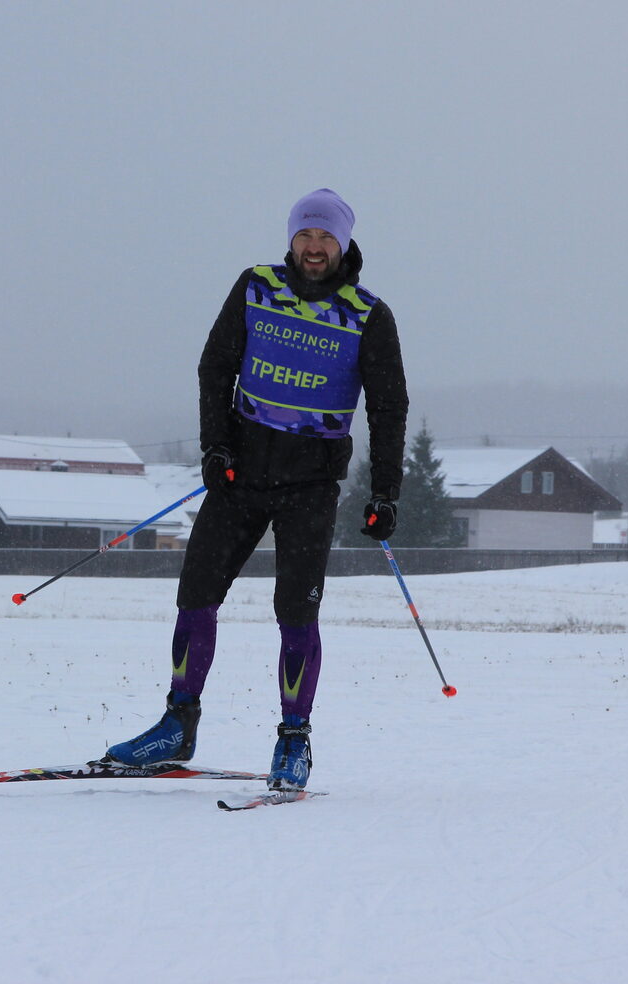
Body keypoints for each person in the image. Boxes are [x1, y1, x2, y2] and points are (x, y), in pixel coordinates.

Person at [103, 189, 408, 792]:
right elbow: (215, 366)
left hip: (311, 488)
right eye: (305, 235)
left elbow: (389, 407)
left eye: (325, 237)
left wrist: (385, 494)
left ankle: (294, 742)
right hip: (242, 476)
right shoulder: (255, 287)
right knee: (195, 595)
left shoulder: (368, 314)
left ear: (343, 244)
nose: (314, 247)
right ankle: (176, 726)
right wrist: (214, 447)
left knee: (295, 613)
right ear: (291, 238)